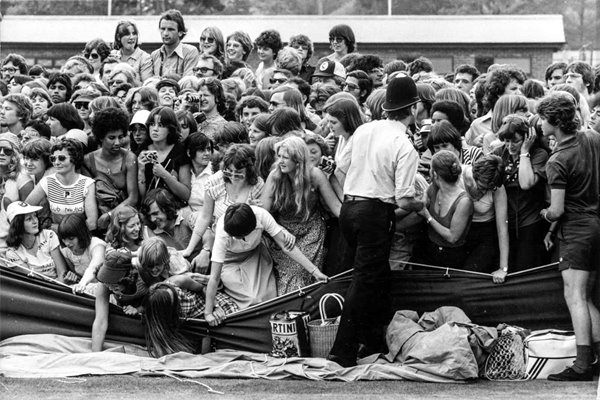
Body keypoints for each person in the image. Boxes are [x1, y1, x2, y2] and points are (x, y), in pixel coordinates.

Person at [327, 75, 422, 368]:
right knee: (365, 280)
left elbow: (340, 168)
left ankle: (376, 340)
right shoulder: (405, 145)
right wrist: (422, 203)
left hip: (349, 208)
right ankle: (341, 350)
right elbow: (405, 200)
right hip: (373, 213)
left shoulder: (366, 129)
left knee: (377, 278)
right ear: (414, 108)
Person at [536, 92, 600, 381]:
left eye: (542, 118)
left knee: (575, 296)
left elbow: (558, 209)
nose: (538, 123)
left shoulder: (557, 160)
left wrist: (546, 216)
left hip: (576, 230)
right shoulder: (593, 138)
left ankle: (583, 364)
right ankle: (592, 359)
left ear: (554, 122)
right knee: (585, 297)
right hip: (595, 225)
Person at [204, 203, 326, 326]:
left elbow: (286, 246)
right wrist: (208, 313)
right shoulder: (222, 231)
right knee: (251, 299)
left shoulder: (261, 215)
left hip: (255, 255)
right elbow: (214, 277)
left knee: (268, 298)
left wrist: (315, 272)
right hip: (230, 261)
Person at [261, 136, 340, 295]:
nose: (281, 161)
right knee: (285, 276)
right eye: (280, 156)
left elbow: (337, 207)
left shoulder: (315, 175)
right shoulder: (275, 176)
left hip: (311, 232)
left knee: (299, 273)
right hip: (283, 232)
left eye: (286, 157)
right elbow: (264, 212)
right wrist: (280, 230)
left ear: (298, 160)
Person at [183, 144, 264, 271]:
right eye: (228, 171)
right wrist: (189, 248)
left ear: (249, 170)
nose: (232, 177)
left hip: (248, 247)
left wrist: (253, 211)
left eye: (238, 174)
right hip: (222, 244)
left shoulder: (257, 185)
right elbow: (204, 217)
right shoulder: (216, 182)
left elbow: (263, 221)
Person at [495, 114, 549, 271]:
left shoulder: (539, 154)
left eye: (516, 141)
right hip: (505, 223)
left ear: (528, 137)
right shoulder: (499, 153)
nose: (510, 146)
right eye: (506, 141)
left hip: (530, 223)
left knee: (524, 268)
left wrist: (524, 151)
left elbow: (526, 183)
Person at [416, 150, 474, 268]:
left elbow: (453, 237)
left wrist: (428, 216)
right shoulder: (433, 188)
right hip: (429, 249)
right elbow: (422, 205)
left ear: (435, 174)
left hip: (451, 256)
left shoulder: (464, 201)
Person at [26, 138, 97, 231]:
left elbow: (92, 224)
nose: (56, 162)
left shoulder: (87, 183)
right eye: (53, 158)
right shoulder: (47, 181)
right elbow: (24, 208)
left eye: (62, 158)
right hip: (54, 239)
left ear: (74, 158)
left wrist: (60, 229)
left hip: (80, 239)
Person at [84, 107, 138, 221]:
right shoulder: (88, 160)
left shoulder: (129, 158)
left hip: (124, 217)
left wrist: (110, 215)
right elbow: (87, 196)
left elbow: (133, 198)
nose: (117, 142)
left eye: (120, 137)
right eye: (112, 138)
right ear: (101, 137)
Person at [461, 155, 509, 283]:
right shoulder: (459, 175)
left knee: (469, 275)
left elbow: (502, 227)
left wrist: (503, 268)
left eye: (488, 189)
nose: (483, 192)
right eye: (481, 187)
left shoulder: (497, 189)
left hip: (485, 232)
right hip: (461, 230)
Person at [92, 249, 149, 351]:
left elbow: (159, 296)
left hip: (148, 305)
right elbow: (100, 320)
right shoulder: (104, 285)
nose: (110, 287)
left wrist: (139, 309)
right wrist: (95, 354)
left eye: (114, 285)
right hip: (124, 308)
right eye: (107, 284)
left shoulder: (144, 274)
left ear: (128, 277)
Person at [4, 201, 68, 283]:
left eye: (35, 216)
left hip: (60, 286)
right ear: (17, 224)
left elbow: (62, 272)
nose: (35, 221)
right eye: (29, 219)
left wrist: (59, 289)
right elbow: (33, 280)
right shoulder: (12, 253)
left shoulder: (49, 235)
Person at [137, 106, 191, 202]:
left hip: (173, 208)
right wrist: (140, 171)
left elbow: (186, 195)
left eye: (161, 125)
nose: (155, 129)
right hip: (148, 207)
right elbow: (140, 197)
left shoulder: (180, 150)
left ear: (170, 129)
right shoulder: (143, 149)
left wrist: (164, 174)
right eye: (152, 124)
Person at [323, 95, 363, 199]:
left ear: (346, 121)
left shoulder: (358, 141)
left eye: (333, 122)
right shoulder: (341, 137)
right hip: (342, 192)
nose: (329, 126)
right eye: (328, 121)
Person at [58, 213, 106, 295]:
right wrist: (73, 279)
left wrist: (82, 284)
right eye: (64, 239)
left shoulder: (97, 245)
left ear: (81, 234)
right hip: (86, 291)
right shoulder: (66, 251)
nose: (67, 243)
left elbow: (93, 268)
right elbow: (76, 275)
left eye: (71, 238)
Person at [142, 188, 198, 257]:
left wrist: (205, 251)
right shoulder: (152, 232)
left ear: (166, 208)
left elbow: (209, 235)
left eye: (155, 213)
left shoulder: (188, 216)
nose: (152, 219)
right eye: (149, 215)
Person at [150, 9, 200, 78]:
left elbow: (188, 82)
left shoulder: (190, 52)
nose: (165, 33)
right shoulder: (154, 55)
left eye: (170, 29)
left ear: (180, 32)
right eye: (162, 29)